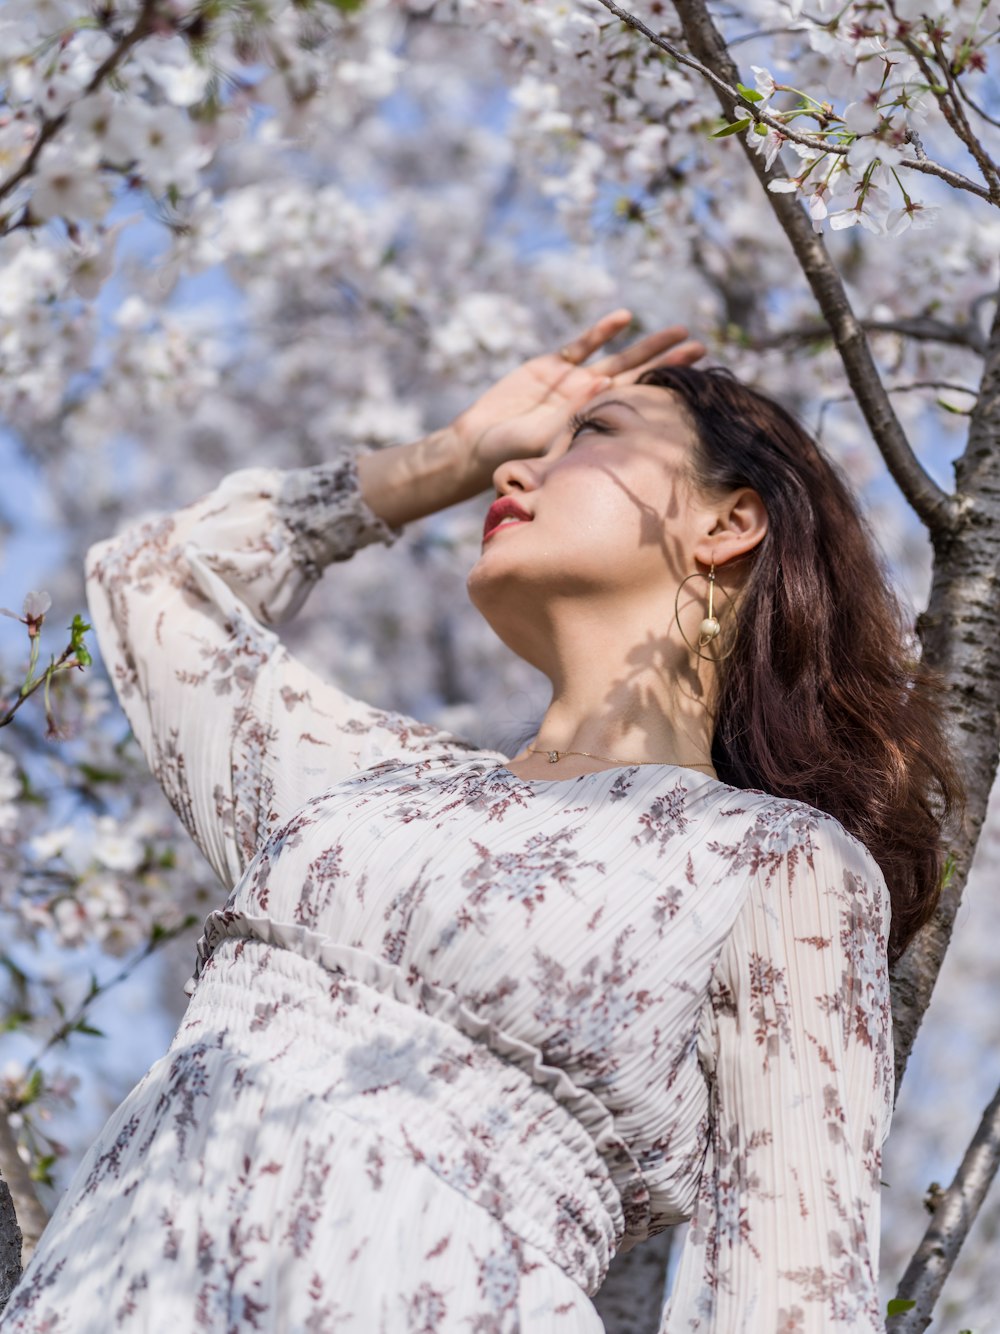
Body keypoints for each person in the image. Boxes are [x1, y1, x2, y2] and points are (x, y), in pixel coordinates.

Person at [1, 311, 958, 1332]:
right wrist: (453, 453)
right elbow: (150, 577)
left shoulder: (777, 864)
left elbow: (793, 1297)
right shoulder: (365, 791)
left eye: (592, 433)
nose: (516, 474)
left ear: (726, 523)